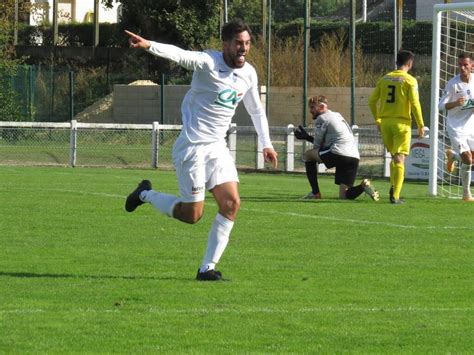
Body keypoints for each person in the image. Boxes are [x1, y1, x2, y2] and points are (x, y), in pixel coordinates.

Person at [124, 19, 278, 281]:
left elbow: (255, 109)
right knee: (192, 215)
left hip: (217, 147)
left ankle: (207, 268)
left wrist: (267, 143)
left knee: (231, 203)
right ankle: (145, 194)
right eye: (239, 43)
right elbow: (181, 55)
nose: (244, 48)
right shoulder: (208, 62)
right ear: (226, 44)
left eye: (248, 43)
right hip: (192, 148)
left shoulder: (248, 74)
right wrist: (149, 45)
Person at [294, 95, 379, 201]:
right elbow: (327, 144)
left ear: (321, 107)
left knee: (308, 155)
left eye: (312, 107)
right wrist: (308, 138)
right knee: (344, 196)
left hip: (338, 152)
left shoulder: (321, 118)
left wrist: (306, 137)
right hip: (353, 157)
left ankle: (315, 193)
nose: (310, 110)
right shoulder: (337, 115)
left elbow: (317, 146)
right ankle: (363, 185)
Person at [368, 49, 425, 204]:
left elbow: (371, 101)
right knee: (400, 158)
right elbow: (414, 103)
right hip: (401, 123)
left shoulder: (384, 78)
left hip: (385, 123)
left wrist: (378, 119)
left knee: (394, 157)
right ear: (410, 63)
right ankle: (396, 196)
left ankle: (394, 187)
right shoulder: (409, 80)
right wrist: (420, 124)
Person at [438, 52, 474, 202]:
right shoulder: (453, 83)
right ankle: (466, 193)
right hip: (455, 127)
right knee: (467, 158)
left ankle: (453, 156)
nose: (462, 67)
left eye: (465, 64)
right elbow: (441, 106)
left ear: (472, 66)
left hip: (470, 126)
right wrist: (456, 103)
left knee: (471, 159)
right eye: (460, 64)